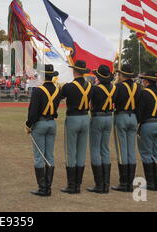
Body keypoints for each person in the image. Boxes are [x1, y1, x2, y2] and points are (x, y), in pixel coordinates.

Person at [25, 64, 61, 197]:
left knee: (39, 157)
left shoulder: (38, 91)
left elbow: (33, 111)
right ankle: (48, 187)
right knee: (49, 156)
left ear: (42, 75)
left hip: (40, 124)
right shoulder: (57, 90)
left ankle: (42, 188)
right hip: (52, 123)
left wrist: (29, 125)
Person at [60, 60, 91, 194]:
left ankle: (71, 185)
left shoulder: (69, 86)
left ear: (74, 71)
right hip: (85, 118)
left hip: (73, 118)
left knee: (71, 152)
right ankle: (78, 184)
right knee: (81, 152)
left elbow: (59, 97)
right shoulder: (90, 86)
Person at [111, 64, 141, 192]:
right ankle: (130, 181)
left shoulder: (118, 87)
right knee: (131, 150)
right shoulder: (139, 87)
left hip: (121, 116)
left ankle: (124, 183)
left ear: (122, 75)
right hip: (133, 117)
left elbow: (112, 100)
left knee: (122, 150)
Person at [87, 64, 115, 194]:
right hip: (109, 117)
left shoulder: (95, 89)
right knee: (105, 149)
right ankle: (106, 184)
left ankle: (99, 184)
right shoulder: (113, 88)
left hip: (97, 117)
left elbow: (89, 103)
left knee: (95, 149)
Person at [137, 71, 157, 192]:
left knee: (146, 153)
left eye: (143, 80)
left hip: (148, 125)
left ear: (147, 81)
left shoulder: (144, 93)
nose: (142, 82)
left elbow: (140, 111)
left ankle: (150, 183)